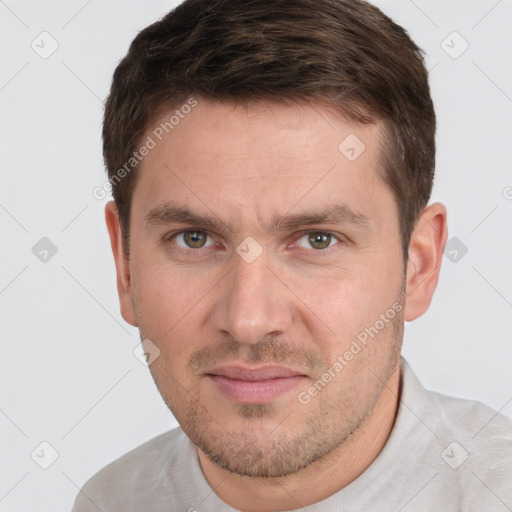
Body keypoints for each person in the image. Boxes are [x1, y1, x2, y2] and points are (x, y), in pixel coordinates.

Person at [72, 0, 512, 510]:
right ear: (125, 265)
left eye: (317, 240)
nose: (249, 320)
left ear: (419, 265)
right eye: (194, 238)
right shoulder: (111, 500)